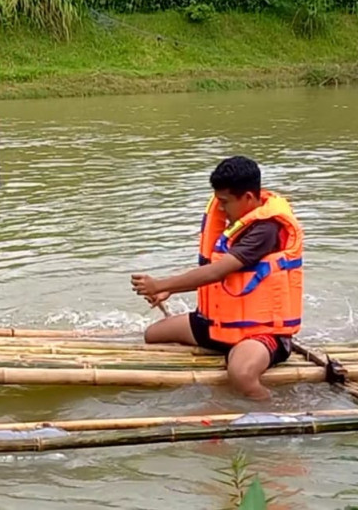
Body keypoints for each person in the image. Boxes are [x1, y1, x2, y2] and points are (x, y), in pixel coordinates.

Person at [130, 156, 304, 400]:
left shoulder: (266, 230)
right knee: (153, 335)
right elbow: (223, 277)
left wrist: (161, 284)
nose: (221, 209)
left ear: (248, 198)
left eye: (225, 202)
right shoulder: (238, 221)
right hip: (220, 325)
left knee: (241, 375)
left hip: (261, 332)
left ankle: (276, 414)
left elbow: (217, 271)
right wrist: (169, 291)